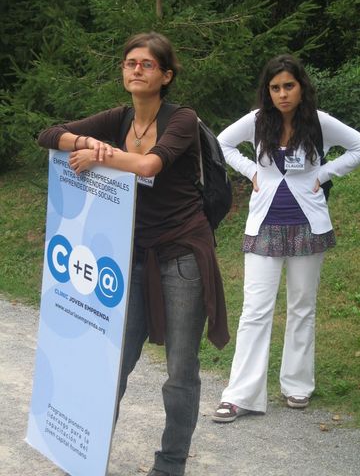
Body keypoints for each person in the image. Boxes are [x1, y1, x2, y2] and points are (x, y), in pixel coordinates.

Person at [38, 32, 229, 475]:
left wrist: (102, 156)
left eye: (147, 64)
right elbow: (47, 133)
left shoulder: (181, 118)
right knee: (113, 363)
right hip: (133, 257)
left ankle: (170, 465)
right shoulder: (119, 117)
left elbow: (149, 165)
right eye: (130, 63)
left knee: (180, 370)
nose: (136, 69)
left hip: (183, 254)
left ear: (166, 75)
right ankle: (87, 454)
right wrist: (86, 144)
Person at [212, 54, 360, 423]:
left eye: (288, 86)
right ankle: (239, 394)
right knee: (255, 310)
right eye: (275, 87)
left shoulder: (320, 123)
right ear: (268, 91)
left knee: (302, 307)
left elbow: (357, 146)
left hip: (308, 227)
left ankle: (297, 385)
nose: (282, 94)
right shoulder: (258, 121)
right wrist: (251, 172)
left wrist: (324, 174)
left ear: (301, 87)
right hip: (264, 228)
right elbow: (221, 144)